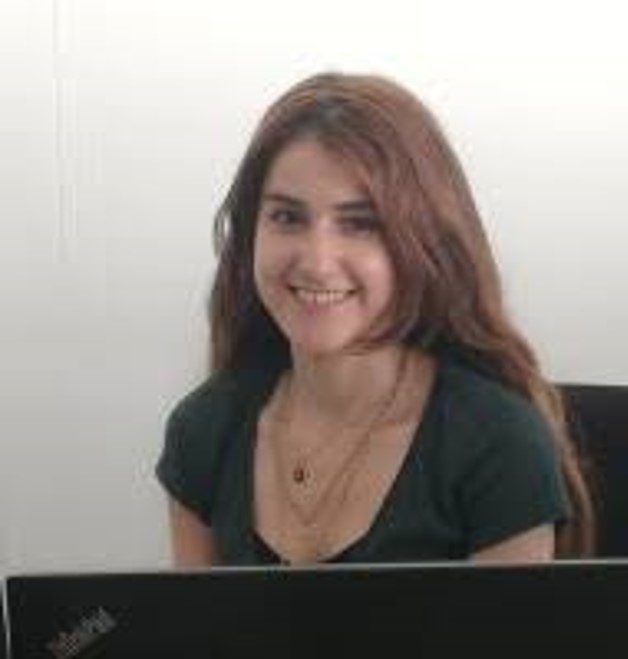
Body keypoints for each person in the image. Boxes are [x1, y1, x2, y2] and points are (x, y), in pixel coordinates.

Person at [156, 71, 596, 567]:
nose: (318, 261)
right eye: (288, 217)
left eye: (360, 224)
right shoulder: (204, 429)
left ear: (424, 243)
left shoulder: (500, 443)